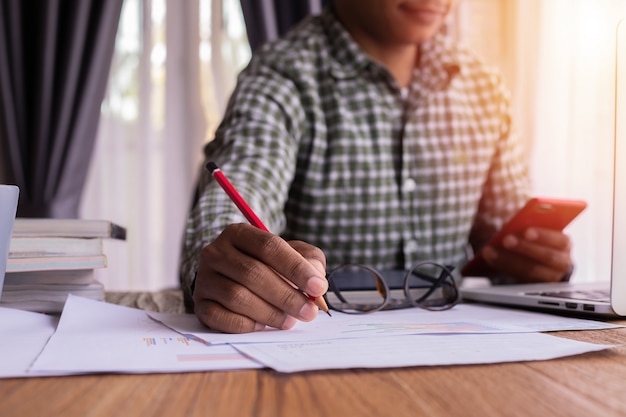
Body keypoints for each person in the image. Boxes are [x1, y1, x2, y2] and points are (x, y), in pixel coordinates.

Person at [179, 0, 574, 334]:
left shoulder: (485, 87)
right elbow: (243, 185)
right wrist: (221, 260)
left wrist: (540, 263)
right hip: (320, 362)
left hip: (462, 349)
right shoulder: (281, 77)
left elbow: (512, 240)